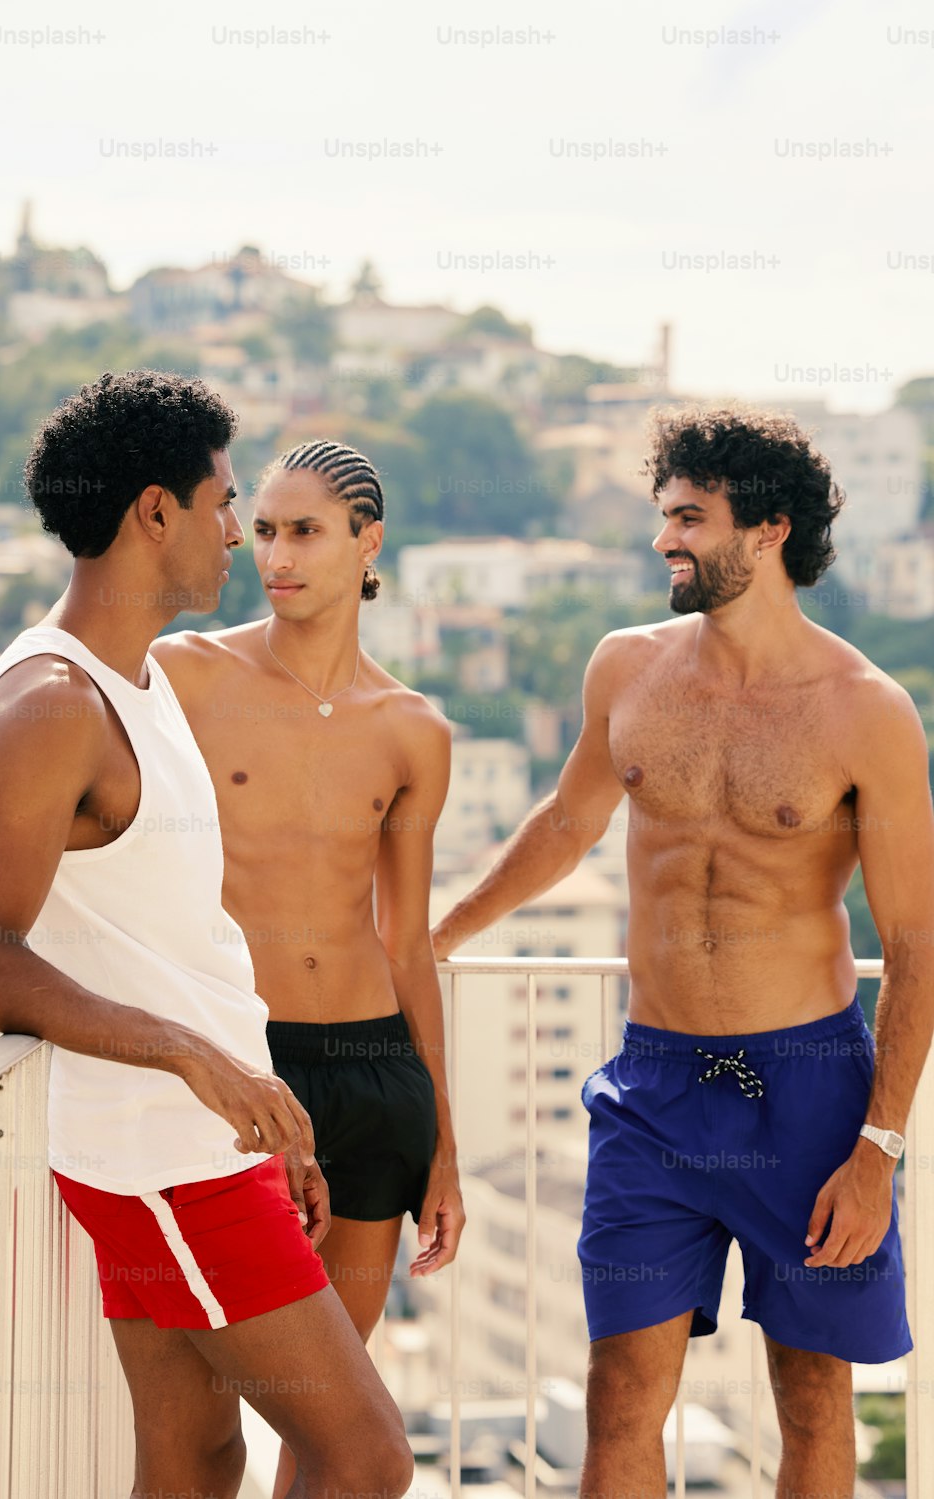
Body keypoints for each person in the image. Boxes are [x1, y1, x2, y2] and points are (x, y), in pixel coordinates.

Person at [431, 405, 934, 1498]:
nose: (664, 539)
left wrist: (877, 1149)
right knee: (619, 1396)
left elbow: (912, 941)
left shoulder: (868, 710)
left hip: (805, 1093)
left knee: (810, 1400)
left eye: (687, 518)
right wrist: (438, 935)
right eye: (663, 515)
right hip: (651, 1085)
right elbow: (564, 826)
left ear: (767, 531)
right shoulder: (627, 667)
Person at [0, 374, 414, 1499]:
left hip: (192, 1143)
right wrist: (191, 1056)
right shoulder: (50, 701)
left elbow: (172, 937)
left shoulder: (136, 682)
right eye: (221, 500)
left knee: (198, 1459)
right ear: (154, 511)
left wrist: (247, 1090)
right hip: (162, 1155)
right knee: (365, 1454)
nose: (236, 532)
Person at [152, 439, 464, 1490]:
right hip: (242, 1069)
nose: (274, 553)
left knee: (329, 1432)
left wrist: (447, 1148)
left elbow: (406, 940)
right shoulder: (190, 674)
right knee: (207, 1425)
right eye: (268, 529)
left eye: (306, 531)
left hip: (377, 1078)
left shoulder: (414, 728)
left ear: (368, 542)